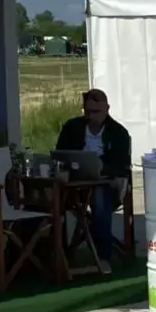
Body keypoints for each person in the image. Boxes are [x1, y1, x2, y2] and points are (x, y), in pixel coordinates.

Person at [56, 88, 132, 260]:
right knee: (51, 196)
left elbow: (122, 167)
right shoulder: (72, 127)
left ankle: (103, 257)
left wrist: (102, 168)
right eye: (88, 111)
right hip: (74, 183)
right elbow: (60, 154)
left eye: (96, 111)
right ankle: (57, 253)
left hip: (107, 184)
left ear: (107, 109)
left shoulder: (118, 133)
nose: (91, 116)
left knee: (99, 196)